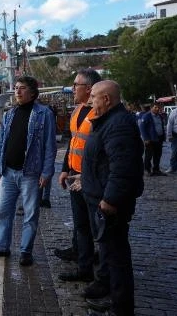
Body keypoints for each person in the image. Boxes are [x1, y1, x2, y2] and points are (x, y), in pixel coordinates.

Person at [81, 80, 144, 316]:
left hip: (109, 205)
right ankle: (114, 298)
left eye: (94, 97)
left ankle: (121, 309)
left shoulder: (118, 125)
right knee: (109, 254)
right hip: (99, 197)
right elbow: (102, 160)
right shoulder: (109, 121)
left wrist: (110, 200)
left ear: (106, 99)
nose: (90, 101)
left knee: (117, 259)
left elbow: (123, 168)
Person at [0, 76, 56, 266]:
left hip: (31, 173)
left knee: (30, 214)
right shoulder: (10, 114)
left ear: (32, 92)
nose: (17, 91)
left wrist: (47, 173)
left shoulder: (44, 114)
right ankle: (1, 246)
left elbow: (50, 146)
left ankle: (25, 250)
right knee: (3, 212)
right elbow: (2, 143)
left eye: (22, 88)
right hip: (8, 172)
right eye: (16, 88)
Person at [55, 69, 110, 300]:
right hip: (75, 175)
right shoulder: (77, 111)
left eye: (76, 84)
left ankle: (104, 278)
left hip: (92, 181)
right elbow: (73, 143)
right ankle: (84, 267)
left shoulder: (99, 114)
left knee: (99, 230)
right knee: (81, 226)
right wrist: (65, 169)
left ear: (89, 89)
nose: (72, 88)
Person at [139, 103, 167, 176]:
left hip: (159, 138)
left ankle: (156, 170)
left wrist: (164, 136)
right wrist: (146, 138)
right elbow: (142, 128)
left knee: (158, 155)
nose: (157, 109)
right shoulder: (147, 116)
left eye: (158, 107)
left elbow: (162, 126)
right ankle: (147, 170)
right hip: (150, 139)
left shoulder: (160, 116)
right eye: (155, 107)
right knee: (149, 155)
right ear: (151, 108)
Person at [166, 97, 177, 174]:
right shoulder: (174, 112)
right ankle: (172, 168)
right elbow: (169, 124)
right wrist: (169, 136)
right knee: (174, 153)